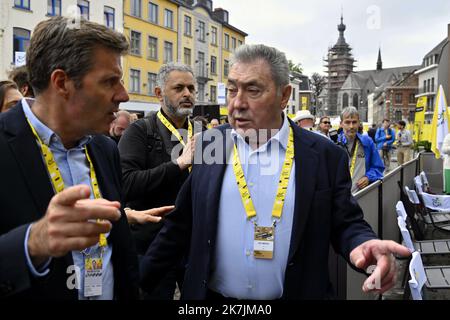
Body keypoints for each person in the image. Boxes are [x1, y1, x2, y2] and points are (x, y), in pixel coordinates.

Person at [139, 44, 410, 300]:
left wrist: (363, 245)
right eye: (232, 90)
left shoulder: (324, 155)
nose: (237, 103)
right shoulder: (211, 144)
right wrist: (134, 282)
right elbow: (180, 224)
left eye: (253, 90)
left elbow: (346, 222)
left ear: (284, 96)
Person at [0, 17, 139, 300]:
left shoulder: (105, 148)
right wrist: (32, 243)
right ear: (62, 82)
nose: (123, 95)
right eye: (110, 81)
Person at [118, 62, 202, 299]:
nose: (187, 94)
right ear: (159, 93)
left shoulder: (200, 131)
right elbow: (126, 183)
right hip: (152, 246)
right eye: (179, 88)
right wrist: (178, 164)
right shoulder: (139, 131)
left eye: (191, 88)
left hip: (192, 244)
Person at [337, 107, 384, 194]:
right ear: (341, 124)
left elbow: (378, 167)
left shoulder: (367, 142)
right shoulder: (334, 143)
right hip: (339, 196)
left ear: (359, 123)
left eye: (354, 122)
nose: (351, 126)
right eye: (347, 122)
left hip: (361, 194)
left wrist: (368, 177)